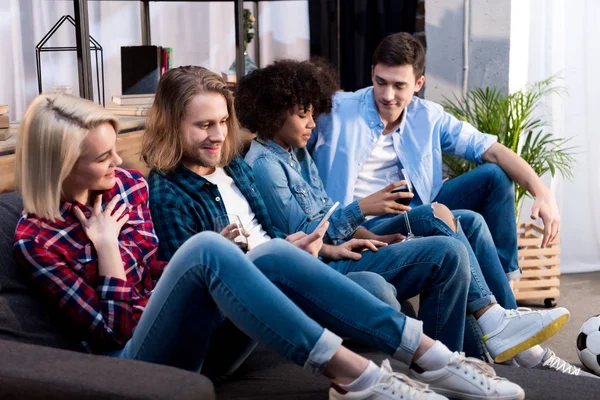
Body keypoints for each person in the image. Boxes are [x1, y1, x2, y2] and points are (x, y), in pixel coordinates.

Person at [12, 92, 514, 400]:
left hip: (206, 334)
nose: (118, 164)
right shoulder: (38, 239)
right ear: (59, 165)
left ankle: (434, 357)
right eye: (101, 158)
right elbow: (116, 330)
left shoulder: (124, 186)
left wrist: (240, 263)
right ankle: (357, 376)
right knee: (210, 247)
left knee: (271, 254)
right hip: (137, 363)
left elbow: (163, 270)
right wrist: (108, 254)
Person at [138, 65, 530, 398]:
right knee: (393, 267)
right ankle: (424, 359)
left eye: (223, 122)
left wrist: (310, 248)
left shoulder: (235, 168)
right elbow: (185, 290)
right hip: (229, 324)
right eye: (204, 125)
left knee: (448, 234)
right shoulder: (169, 191)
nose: (219, 135)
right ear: (174, 125)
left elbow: (278, 234)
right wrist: (245, 254)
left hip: (284, 272)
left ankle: (450, 358)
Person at [234, 59, 580, 375]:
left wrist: (543, 192)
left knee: (466, 221)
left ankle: (492, 344)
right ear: (275, 113)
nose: (312, 122)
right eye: (303, 115)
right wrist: (363, 210)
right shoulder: (267, 164)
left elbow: (323, 212)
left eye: (399, 85)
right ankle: (479, 341)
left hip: (351, 238)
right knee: (446, 242)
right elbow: (308, 237)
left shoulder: (294, 153)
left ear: (418, 83)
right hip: (330, 260)